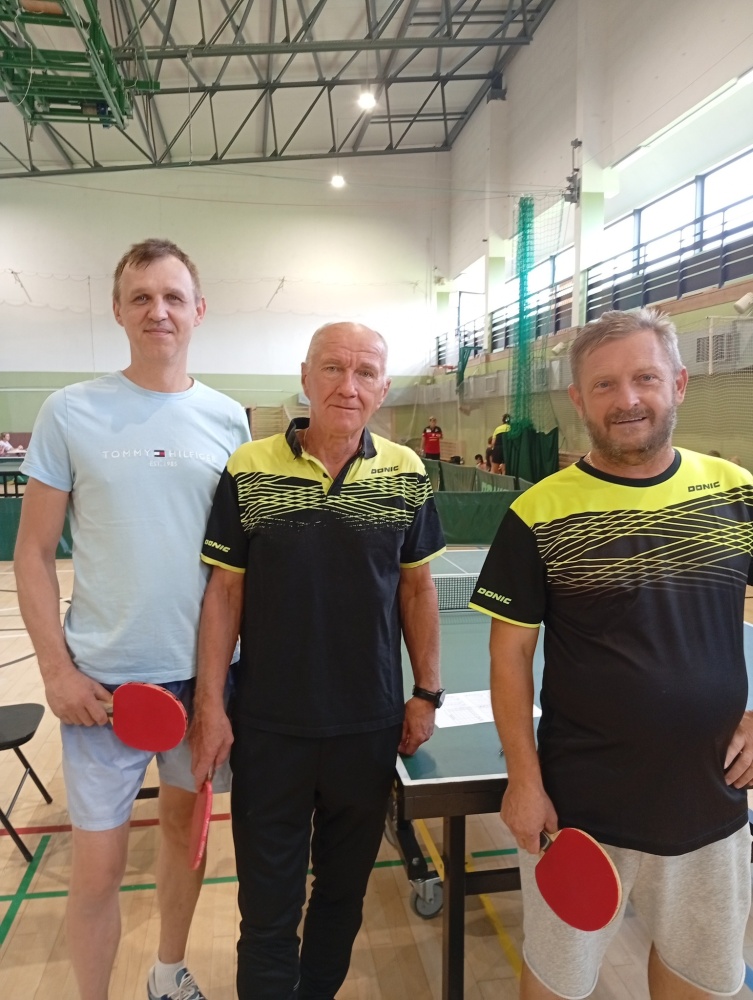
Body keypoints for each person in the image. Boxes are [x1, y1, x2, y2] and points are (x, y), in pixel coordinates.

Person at [470, 308, 753, 1000]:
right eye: (603, 384)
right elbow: (509, 659)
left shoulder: (735, 492)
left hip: (709, 796)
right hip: (580, 807)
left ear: (678, 384)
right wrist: (523, 780)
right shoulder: (537, 513)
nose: (626, 399)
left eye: (644, 378)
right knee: (555, 985)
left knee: (700, 982)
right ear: (578, 399)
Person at [14, 238, 250, 1000]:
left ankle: (168, 974)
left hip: (202, 685)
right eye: (141, 297)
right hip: (100, 692)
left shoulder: (228, 420)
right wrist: (56, 671)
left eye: (173, 297)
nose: (159, 311)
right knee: (97, 869)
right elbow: (32, 552)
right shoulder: (68, 411)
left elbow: (237, 569)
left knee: (185, 839)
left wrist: (219, 691)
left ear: (198, 311)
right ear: (117, 310)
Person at [190, 321, 446, 999]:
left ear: (383, 389)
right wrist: (211, 705)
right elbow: (225, 592)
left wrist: (426, 692)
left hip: (368, 728)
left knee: (341, 897)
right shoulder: (249, 467)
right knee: (266, 910)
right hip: (269, 729)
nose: (347, 386)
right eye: (333, 368)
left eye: (365, 372)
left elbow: (417, 589)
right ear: (305, 378)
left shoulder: (406, 471)